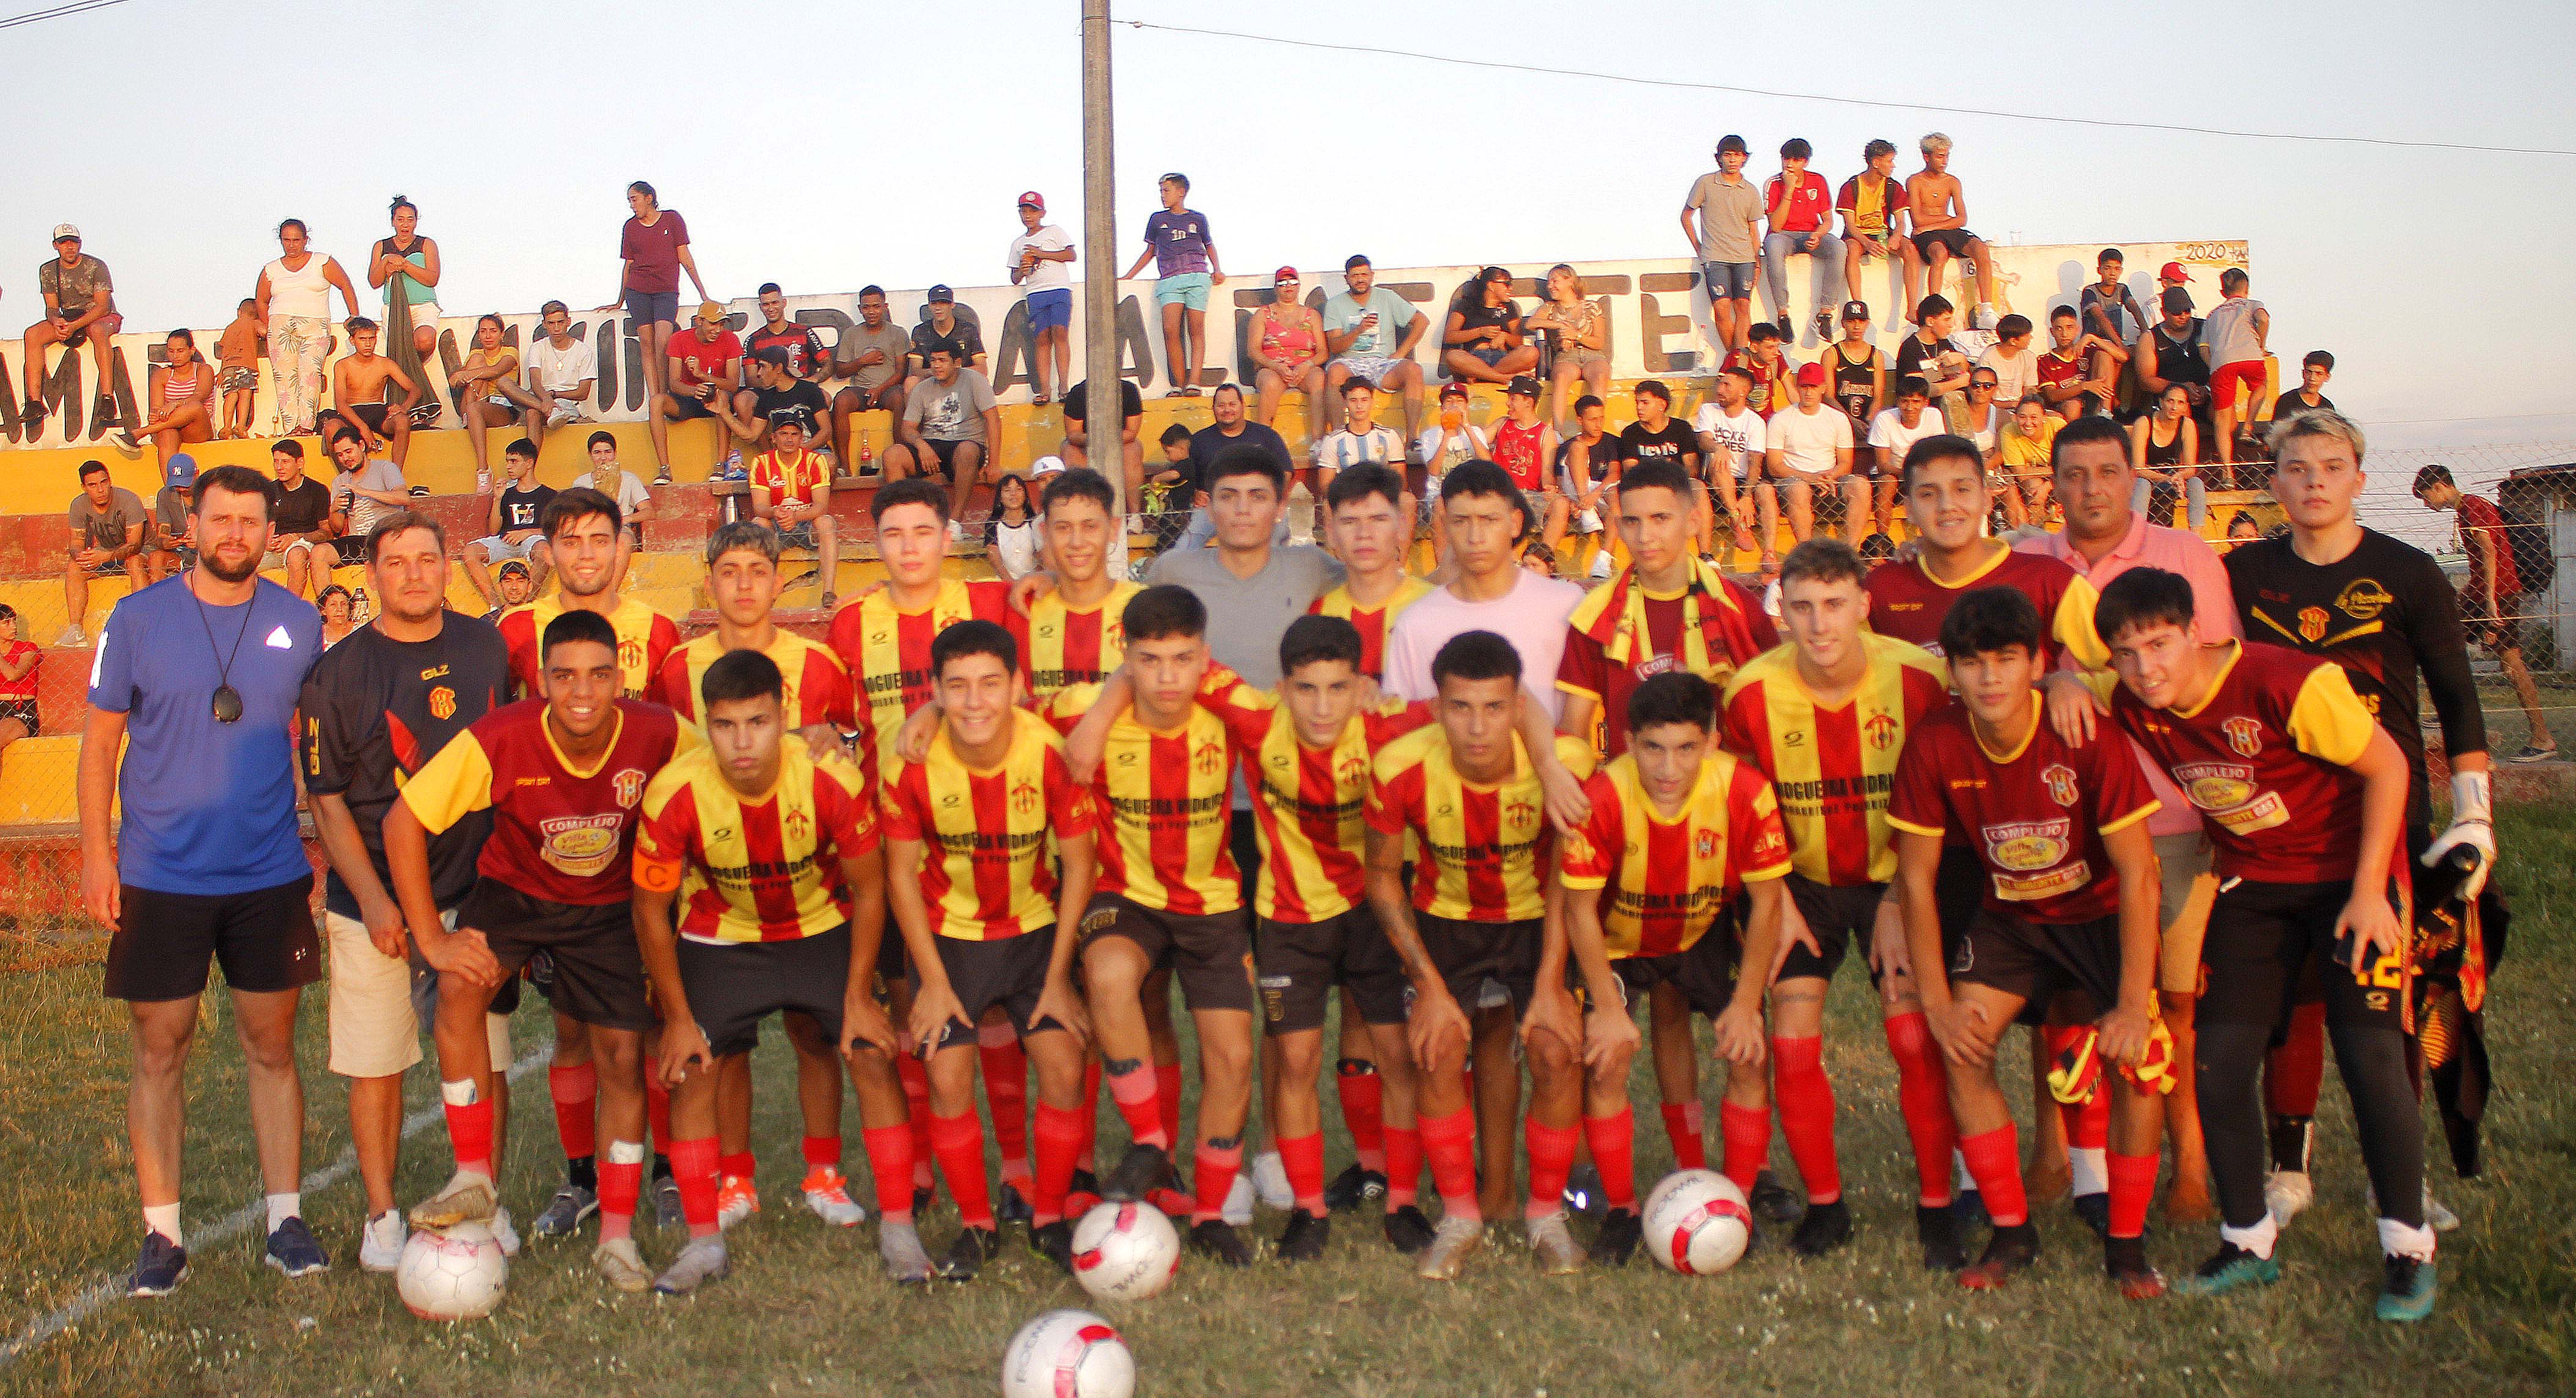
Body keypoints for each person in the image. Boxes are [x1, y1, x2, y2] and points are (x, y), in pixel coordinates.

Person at [2089, 567, 2435, 1322]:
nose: (2146, 667)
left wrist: (2372, 888)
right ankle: (2247, 1241)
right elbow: (2070, 685)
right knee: (2215, 1066)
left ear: (2195, 632)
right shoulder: (2129, 701)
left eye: (2157, 643)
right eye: (2124, 653)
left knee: (2370, 1057)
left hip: (2349, 877)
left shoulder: (2285, 682)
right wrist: (2060, 680)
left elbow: (2389, 766)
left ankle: (2407, 1249)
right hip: (2254, 884)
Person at [2222, 420, 2498, 1250]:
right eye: (2296, 468)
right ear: (2273, 481)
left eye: (2332, 467)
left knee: (2392, 1006)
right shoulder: (2241, 574)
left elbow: (2455, 695)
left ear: (2358, 477)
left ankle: (2401, 1174)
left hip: (2387, 820)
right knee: (2295, 1004)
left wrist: (2475, 809)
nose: (2314, 482)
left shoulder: (2408, 572)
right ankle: (2289, 1169)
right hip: (2281, 821)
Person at [390, 609, 692, 1294]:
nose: (581, 690)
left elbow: (723, 777)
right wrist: (430, 937)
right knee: (460, 987)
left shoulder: (660, 731)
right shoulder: (501, 734)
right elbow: (402, 818)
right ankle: (472, 1173)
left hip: (610, 906)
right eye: (563, 676)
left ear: (621, 678)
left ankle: (616, 1233)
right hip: (517, 889)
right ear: (540, 680)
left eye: (597, 674)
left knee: (620, 1052)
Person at [79, 463, 327, 1297]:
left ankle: (286, 1220)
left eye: (250, 522)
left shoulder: (300, 622)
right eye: (220, 520)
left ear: (270, 530)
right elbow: (98, 748)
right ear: (191, 524)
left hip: (268, 873)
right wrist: (95, 855)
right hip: (160, 872)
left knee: (272, 1047)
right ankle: (163, 1235)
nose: (235, 536)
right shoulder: (137, 617)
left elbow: (324, 751)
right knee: (160, 1050)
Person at [1889, 586, 2170, 1297]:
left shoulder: (2083, 733)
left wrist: (2134, 1004)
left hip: (2099, 916)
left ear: (2036, 662)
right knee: (1961, 1046)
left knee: (2140, 1064)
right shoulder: (1935, 741)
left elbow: (2139, 872)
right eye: (1972, 663)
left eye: (2006, 660)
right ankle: (2012, 1231)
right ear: (1951, 670)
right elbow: (1916, 882)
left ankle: (2127, 1245)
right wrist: (1937, 1001)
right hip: (2009, 919)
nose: (1989, 678)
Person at [2019, 414, 2244, 1223]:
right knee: (2062, 999)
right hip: (2065, 820)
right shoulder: (2027, 561)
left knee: (2174, 1000)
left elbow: (2214, 683)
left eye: (2107, 472)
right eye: (2073, 475)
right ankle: (2053, 1148)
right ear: (2053, 481)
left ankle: (2188, 1164)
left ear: (2133, 475)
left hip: (2173, 813)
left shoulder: (2184, 556)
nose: (2090, 490)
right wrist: (2057, 681)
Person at [1719, 538, 1961, 1264]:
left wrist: (1899, 894)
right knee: (1792, 1048)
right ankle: (1825, 1206)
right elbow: (1740, 803)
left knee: (1913, 1038)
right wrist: (1773, 896)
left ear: (1863, 604)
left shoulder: (1921, 678)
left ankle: (1937, 1205)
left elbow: (1951, 791)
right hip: (1800, 887)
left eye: (1833, 605)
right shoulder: (1750, 692)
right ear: (1781, 611)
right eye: (1801, 608)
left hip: (1901, 879)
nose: (1819, 624)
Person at [631, 648, 901, 1292]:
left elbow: (871, 888)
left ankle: (899, 1229)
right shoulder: (674, 790)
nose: (742, 742)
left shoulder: (828, 776)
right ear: (707, 723)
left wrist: (861, 995)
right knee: (693, 1068)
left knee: (869, 1049)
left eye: (757, 721)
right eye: (725, 725)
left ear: (784, 715)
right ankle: (703, 1242)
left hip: (818, 925)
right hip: (723, 933)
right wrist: (676, 1019)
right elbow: (650, 910)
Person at [299, 512, 521, 1273]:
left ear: (447, 566)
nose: (416, 574)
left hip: (476, 894)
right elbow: (327, 798)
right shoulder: (338, 672)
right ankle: (382, 1214)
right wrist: (379, 897)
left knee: (487, 1057)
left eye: (429, 559)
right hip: (374, 903)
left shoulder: (486, 645)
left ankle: (487, 1196)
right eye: (398, 562)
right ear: (372, 577)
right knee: (378, 1061)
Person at [1363, 629, 1606, 1278]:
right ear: (1437, 706)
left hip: (1535, 920)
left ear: (1517, 705)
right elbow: (1382, 876)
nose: (1477, 726)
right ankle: (1461, 1214)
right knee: (1437, 1048)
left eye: (1494, 707)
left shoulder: (1566, 765)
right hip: (1446, 921)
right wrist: (1429, 986)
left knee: (1557, 1048)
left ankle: (1546, 1213)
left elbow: (1569, 876)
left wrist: (1553, 978)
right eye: (1461, 707)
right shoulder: (1399, 767)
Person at [1042, 587, 1262, 1265]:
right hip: (1126, 893)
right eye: (1149, 660)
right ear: (1124, 656)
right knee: (1108, 978)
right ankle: (1150, 1142)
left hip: (1212, 902)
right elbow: (997, 719)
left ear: (1205, 657)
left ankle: (1211, 1213)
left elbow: (1303, 717)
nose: (1168, 677)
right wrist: (932, 713)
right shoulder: (1080, 712)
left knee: (1231, 1057)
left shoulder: (1227, 702)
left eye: (1182, 659)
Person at [880, 621, 1101, 1276]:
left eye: (989, 684)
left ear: (1016, 686)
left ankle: (1050, 1214)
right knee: (947, 1076)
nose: (974, 702)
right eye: (957, 687)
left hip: (1034, 934)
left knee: (1063, 1065)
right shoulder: (912, 765)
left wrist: (1060, 974)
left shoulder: (1050, 754)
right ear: (936, 692)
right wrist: (933, 980)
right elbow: (899, 875)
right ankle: (977, 1223)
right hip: (951, 941)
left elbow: (1079, 867)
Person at [1561, 670, 1794, 1262]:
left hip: (1699, 932)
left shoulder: (1745, 790)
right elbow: (1579, 909)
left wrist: (1745, 1005)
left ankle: (1735, 1201)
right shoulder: (1602, 796)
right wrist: (1608, 1009)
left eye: (1686, 747)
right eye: (1653, 748)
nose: (1668, 767)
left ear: (1712, 740)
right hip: (1614, 939)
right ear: (1627, 741)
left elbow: (1767, 901)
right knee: (1607, 1060)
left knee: (1749, 1050)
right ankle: (1620, 1210)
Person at [2412, 461, 2550, 760]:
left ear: (2439, 487)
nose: (2427, 504)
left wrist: (2490, 603)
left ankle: (2542, 738)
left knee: (2511, 663)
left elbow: (2489, 551)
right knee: (2442, 640)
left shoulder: (2473, 508)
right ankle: (2445, 710)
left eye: (2425, 497)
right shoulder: (2468, 509)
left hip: (2499, 593)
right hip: (2485, 591)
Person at [598, 180, 711, 447]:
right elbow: (628, 266)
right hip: (638, 290)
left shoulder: (671, 220)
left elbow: (685, 257)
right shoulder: (630, 227)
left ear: (650, 198)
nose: (632, 204)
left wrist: (704, 295)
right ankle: (656, 396)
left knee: (664, 340)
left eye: (635, 198)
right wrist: (619, 300)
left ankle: (667, 391)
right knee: (646, 343)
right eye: (630, 200)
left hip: (666, 290)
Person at [1020, 469, 1141, 703]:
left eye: (1090, 527)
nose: (1077, 542)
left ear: (1114, 529)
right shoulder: (1020, 606)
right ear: (1045, 533)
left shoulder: (1146, 609)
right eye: (1063, 528)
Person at [255, 219, 365, 437]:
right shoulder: (272, 269)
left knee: (310, 374)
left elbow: (346, 286)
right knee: (285, 378)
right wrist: (267, 326)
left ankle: (306, 425)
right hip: (281, 326)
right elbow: (261, 300)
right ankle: (291, 428)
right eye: (287, 240)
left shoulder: (322, 262)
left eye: (297, 240)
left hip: (315, 323)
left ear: (306, 239)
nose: (292, 245)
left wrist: (354, 316)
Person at [1122, 173, 1224, 395]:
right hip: (1169, 278)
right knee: (1170, 330)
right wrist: (1128, 276)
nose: (1163, 196)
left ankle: (1194, 381)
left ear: (1181, 192)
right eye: (1161, 191)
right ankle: (1178, 383)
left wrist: (1217, 269)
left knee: (1195, 329)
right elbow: (1150, 252)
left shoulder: (1198, 218)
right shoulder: (1157, 220)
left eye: (1166, 191)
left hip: (1197, 275)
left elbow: (1209, 245)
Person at [886, 347, 1001, 540]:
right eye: (933, 361)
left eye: (942, 360)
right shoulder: (922, 388)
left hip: (965, 442)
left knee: (968, 451)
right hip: (931, 443)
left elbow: (993, 419)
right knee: (892, 455)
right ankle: (906, 522)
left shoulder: (974, 380)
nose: (937, 366)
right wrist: (922, 446)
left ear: (956, 363)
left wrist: (995, 464)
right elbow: (907, 428)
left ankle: (953, 524)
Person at [21, 224, 125, 431]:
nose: (69, 247)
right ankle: (34, 402)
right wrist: (57, 322)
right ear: (55, 246)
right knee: (32, 335)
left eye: (73, 242)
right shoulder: (48, 270)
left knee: (97, 331)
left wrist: (74, 326)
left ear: (80, 244)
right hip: (69, 318)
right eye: (64, 243)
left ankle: (107, 399)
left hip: (100, 316)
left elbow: (103, 306)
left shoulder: (96, 266)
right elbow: (51, 307)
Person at [1320, 254, 1428, 439]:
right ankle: (1338, 436)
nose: (1360, 279)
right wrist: (1359, 330)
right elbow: (1335, 347)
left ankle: (1413, 438)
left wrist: (1400, 353)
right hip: (1349, 364)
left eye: (1364, 274)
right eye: (1355, 276)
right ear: (1346, 279)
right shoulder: (1335, 304)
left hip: (1383, 363)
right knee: (1335, 372)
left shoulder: (1387, 297)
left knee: (1414, 370)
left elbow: (1422, 321)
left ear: (1372, 275)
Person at [1765, 363, 1865, 547]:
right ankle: (1807, 551)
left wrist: (1829, 476)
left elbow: (1846, 462)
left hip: (1830, 478)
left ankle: (1851, 550)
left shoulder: (1838, 418)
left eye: (1814, 387)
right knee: (1799, 489)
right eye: (1804, 387)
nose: (1809, 392)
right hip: (1794, 479)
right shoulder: (1781, 419)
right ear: (1797, 387)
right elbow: (1775, 466)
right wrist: (1810, 478)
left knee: (1861, 486)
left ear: (1823, 389)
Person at [1903, 134, 1997, 329]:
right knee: (1940, 253)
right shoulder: (1915, 181)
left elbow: (1962, 218)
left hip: (1946, 230)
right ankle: (1934, 306)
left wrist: (1936, 223)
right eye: (1939, 156)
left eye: (1946, 156)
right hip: (1927, 235)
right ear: (1926, 156)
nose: (1944, 161)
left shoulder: (1953, 182)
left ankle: (1987, 309)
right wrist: (1947, 221)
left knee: (1980, 248)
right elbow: (1917, 220)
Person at [1681, 134, 1764, 354]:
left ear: (1745, 158)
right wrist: (1699, 248)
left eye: (1737, 155)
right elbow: (1686, 216)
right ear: (1719, 158)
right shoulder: (1706, 183)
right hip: (1715, 256)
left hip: (1744, 257)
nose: (1732, 160)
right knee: (1721, 309)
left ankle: (1740, 358)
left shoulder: (1751, 190)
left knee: (1744, 307)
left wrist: (1757, 261)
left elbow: (1754, 230)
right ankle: (1734, 358)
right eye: (1728, 155)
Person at [1184, 382, 1296, 541]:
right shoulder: (1198, 441)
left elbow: (1285, 472)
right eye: (1221, 405)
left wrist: (1274, 498)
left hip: (1259, 506)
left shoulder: (1266, 436)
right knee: (1187, 545)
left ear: (1243, 405)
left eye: (1232, 404)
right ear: (1214, 409)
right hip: (1214, 508)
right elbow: (1187, 478)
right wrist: (1194, 494)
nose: (1227, 410)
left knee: (1281, 528)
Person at [1762, 139, 1848, 345]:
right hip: (1784, 234)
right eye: (1786, 158)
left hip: (1810, 232)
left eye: (1796, 159)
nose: (1790, 164)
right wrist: (1789, 190)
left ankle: (1825, 314)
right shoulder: (1773, 184)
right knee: (1772, 246)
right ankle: (1783, 314)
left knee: (1839, 247)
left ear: (1805, 162)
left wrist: (1817, 235)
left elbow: (1828, 220)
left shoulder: (1817, 181)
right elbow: (1776, 224)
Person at [748, 417, 840, 609]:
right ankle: (763, 593)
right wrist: (777, 512)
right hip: (777, 524)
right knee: (759, 524)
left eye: (794, 434)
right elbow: (760, 507)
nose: (789, 439)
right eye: (784, 434)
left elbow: (821, 506)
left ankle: (829, 591)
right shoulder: (762, 463)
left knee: (826, 523)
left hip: (807, 524)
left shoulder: (815, 461)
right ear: (773, 438)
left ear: (801, 438)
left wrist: (796, 516)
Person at [60, 459, 153, 646]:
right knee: (74, 566)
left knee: (134, 560)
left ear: (110, 481)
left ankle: (141, 624)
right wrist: (81, 556)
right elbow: (76, 543)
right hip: (107, 553)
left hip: (142, 552)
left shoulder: (128, 500)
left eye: (104, 482)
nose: (100, 489)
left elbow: (134, 545)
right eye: (93, 485)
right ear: (84, 487)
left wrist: (106, 556)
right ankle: (76, 630)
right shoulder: (78, 505)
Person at [654, 301, 744, 485]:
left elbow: (733, 385)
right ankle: (664, 469)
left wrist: (702, 376)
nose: (718, 329)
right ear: (699, 321)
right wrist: (694, 390)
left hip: (716, 398)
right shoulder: (679, 339)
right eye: (713, 323)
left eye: (721, 324)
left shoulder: (731, 339)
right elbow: (673, 383)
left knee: (722, 397)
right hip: (688, 398)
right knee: (656, 401)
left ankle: (721, 464)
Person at [467, 441, 554, 621]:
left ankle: (527, 602)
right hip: (505, 540)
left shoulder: (549, 495)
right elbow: (493, 530)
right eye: (507, 461)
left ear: (529, 463)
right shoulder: (506, 492)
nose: (508, 467)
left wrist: (526, 532)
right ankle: (497, 606)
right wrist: (497, 499)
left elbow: (554, 531)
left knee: (544, 551)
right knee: (470, 552)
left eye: (514, 461)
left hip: (533, 540)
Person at [829, 285, 913, 469]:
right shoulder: (851, 334)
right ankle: (844, 466)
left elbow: (901, 372)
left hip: (889, 389)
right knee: (841, 400)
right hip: (860, 389)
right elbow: (841, 371)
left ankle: (901, 456)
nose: (871, 312)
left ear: (885, 307)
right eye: (866, 307)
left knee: (901, 398)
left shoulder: (898, 333)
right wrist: (862, 361)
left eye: (876, 306)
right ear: (860, 309)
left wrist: (879, 390)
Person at [322, 318, 421, 470]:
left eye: (371, 338)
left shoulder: (385, 363)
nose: (368, 344)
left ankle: (395, 475)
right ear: (352, 340)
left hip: (377, 410)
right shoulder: (343, 365)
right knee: (330, 427)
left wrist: (404, 408)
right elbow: (341, 404)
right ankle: (347, 480)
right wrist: (363, 428)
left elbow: (415, 389)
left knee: (403, 421)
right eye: (362, 339)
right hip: (352, 412)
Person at [1007, 192, 1077, 404]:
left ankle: (1064, 385)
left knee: (1060, 332)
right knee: (1042, 338)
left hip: (1058, 289)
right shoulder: (1018, 243)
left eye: (1032, 211)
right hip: (1036, 292)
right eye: (1024, 211)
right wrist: (1023, 270)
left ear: (1042, 213)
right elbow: (1014, 278)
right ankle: (1044, 389)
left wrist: (1041, 253)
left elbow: (1071, 255)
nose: (1028, 216)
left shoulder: (1054, 232)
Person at [1836, 139, 1922, 311]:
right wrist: (1867, 243)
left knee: (1910, 249)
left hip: (1883, 232)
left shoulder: (1893, 187)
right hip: (1857, 235)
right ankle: (1858, 303)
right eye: (1889, 161)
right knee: (1851, 250)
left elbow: (1900, 222)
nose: (1893, 166)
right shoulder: (1851, 187)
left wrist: (1897, 237)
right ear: (1876, 163)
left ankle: (1912, 308)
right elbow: (1851, 226)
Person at [113, 328, 218, 469]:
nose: (175, 356)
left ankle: (140, 433)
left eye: (180, 351)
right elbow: (156, 407)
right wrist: (155, 414)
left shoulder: (204, 370)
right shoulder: (161, 375)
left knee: (195, 407)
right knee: (167, 433)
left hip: (197, 428)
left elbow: (199, 397)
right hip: (169, 427)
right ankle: (171, 489)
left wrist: (174, 404)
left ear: (192, 350)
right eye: (171, 351)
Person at [2202, 269, 2270, 472]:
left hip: (2221, 363)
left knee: (2222, 421)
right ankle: (2248, 427)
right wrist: (2261, 345)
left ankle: (2227, 473)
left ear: (2223, 291)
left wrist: (2214, 365)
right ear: (2246, 288)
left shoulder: (2212, 315)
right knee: (2260, 386)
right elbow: (2264, 320)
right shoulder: (2252, 304)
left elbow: (2203, 348)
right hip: (2250, 356)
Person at [569, 432, 654, 595]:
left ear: (615, 454)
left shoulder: (629, 479)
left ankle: (609, 594)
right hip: (590, 530)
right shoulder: (581, 483)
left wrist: (624, 519)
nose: (603, 458)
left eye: (608, 452)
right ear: (590, 456)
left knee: (623, 542)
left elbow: (649, 511)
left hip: (620, 528)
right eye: (597, 453)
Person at [1248, 268, 1328, 438]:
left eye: (1292, 283)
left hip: (1305, 369)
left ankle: (1319, 441)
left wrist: (1307, 365)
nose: (1288, 287)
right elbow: (1253, 350)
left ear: (1299, 286)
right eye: (1282, 283)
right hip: (1272, 368)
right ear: (1276, 288)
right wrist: (1275, 366)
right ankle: (1265, 440)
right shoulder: (1263, 314)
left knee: (1319, 379)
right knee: (1270, 383)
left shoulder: (1312, 315)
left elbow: (1322, 352)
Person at [1491, 376, 1567, 553]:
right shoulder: (1502, 424)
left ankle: (1544, 557)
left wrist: (1550, 487)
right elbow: (1477, 441)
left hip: (1533, 495)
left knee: (1561, 504)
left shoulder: (1546, 433)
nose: (1508, 404)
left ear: (1528, 401)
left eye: (1513, 399)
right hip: (1506, 494)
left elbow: (1547, 472)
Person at [1529, 264, 1610, 430]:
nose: (1550, 286)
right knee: (1561, 378)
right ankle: (1558, 430)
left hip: (1592, 354)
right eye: (1549, 282)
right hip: (1567, 355)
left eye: (1555, 281)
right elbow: (1531, 323)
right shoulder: (1550, 307)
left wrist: (1577, 335)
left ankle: (1595, 425)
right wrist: (1556, 324)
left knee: (1600, 376)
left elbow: (1599, 342)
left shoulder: (1592, 307)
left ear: (1570, 281)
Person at [365, 195, 443, 367]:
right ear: (393, 222)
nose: (405, 225)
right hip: (394, 306)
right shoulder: (381, 246)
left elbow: (432, 278)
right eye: (400, 220)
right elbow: (374, 281)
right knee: (396, 352)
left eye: (410, 219)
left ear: (416, 222)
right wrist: (386, 263)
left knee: (425, 340)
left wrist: (406, 266)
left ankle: (415, 370)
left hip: (422, 305)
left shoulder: (426, 244)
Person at [1059, 375, 1146, 528]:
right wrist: (1096, 440)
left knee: (1134, 449)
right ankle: (1082, 515)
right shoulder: (1078, 393)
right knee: (1069, 450)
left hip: (1119, 443)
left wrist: (1106, 441)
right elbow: (1073, 434)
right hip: (1086, 444)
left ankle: (1135, 516)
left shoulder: (1129, 391)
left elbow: (1132, 432)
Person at [448, 314, 521, 492]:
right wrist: (462, 376)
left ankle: (483, 469)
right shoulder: (476, 355)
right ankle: (483, 469)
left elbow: (497, 370)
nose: (488, 336)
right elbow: (454, 381)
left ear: (502, 335)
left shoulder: (510, 353)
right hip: (476, 401)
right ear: (479, 336)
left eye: (493, 331)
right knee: (476, 361)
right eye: (483, 331)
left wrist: (466, 374)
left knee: (476, 376)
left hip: (503, 407)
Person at [720, 347, 832, 464]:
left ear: (778, 368)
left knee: (830, 463)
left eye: (763, 367)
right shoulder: (766, 397)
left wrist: (800, 451)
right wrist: (723, 412)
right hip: (784, 455)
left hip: (814, 451)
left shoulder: (809, 390)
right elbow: (751, 436)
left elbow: (826, 431)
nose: (759, 373)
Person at [1314, 379, 1413, 506]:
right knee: (1328, 506)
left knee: (1407, 500)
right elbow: (1325, 486)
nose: (1359, 406)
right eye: (1353, 400)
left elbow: (1400, 481)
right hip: (1348, 500)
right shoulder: (1333, 441)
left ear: (1372, 401)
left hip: (1382, 498)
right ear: (1345, 402)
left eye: (1364, 400)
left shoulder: (1389, 436)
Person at [521, 301, 599, 451]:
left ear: (568, 322)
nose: (556, 328)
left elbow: (583, 393)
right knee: (505, 383)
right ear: (544, 324)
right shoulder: (538, 347)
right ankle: (551, 410)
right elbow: (535, 381)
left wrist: (554, 394)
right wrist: (547, 399)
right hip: (540, 397)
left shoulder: (583, 350)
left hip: (566, 402)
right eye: (551, 323)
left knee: (532, 412)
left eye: (560, 322)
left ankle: (529, 465)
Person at [265, 439, 338, 598]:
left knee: (297, 555)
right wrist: (265, 540)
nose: (279, 467)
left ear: (300, 463)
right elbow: (259, 525)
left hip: (302, 543)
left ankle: (291, 610)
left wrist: (296, 537)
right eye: (276, 462)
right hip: (273, 546)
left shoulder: (317, 490)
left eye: (285, 462)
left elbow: (326, 532)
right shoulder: (269, 491)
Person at [2134, 287, 2212, 434]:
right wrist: (2181, 389)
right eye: (2177, 313)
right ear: (2164, 312)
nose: (2183, 316)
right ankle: (2183, 454)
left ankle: (2227, 455)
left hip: (2205, 393)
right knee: (2179, 404)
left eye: (2187, 311)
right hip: (2171, 399)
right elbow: (2146, 381)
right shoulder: (2150, 338)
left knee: (2223, 408)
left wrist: (2207, 390)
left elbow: (2223, 363)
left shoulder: (2206, 328)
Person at [1440, 266, 1535, 386]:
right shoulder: (1466, 305)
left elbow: (1519, 342)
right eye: (1507, 284)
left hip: (1503, 360)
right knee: (1452, 356)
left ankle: (1482, 376)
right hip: (1474, 359)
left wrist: (1505, 336)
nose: (1511, 288)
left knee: (1532, 352)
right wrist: (1480, 332)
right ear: (1490, 285)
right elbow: (1449, 336)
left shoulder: (1509, 307)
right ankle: (1501, 378)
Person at [2130, 382, 2207, 529]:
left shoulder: (2188, 425)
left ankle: (2197, 537)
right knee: (2143, 484)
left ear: (2186, 407)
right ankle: (2136, 533)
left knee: (2196, 482)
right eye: (2170, 401)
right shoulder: (2144, 422)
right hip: (2147, 478)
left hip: (2173, 477)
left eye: (2180, 403)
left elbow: (2191, 468)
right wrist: (2167, 479)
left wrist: (2179, 477)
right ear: (2161, 402)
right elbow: (2138, 468)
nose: (2174, 407)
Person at [326, 424, 409, 549]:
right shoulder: (340, 481)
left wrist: (365, 492)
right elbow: (337, 528)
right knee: (320, 552)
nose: (345, 458)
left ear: (362, 446)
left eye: (349, 452)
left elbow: (404, 498)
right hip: (357, 542)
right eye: (340, 455)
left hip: (387, 537)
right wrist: (333, 510)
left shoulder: (385, 468)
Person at [2038, 305, 2123, 422]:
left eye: (2069, 328)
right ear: (2052, 332)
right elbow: (2052, 395)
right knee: (2073, 406)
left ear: (2077, 329)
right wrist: (2085, 386)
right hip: (2067, 407)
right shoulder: (2045, 361)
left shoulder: (2087, 351)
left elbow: (2123, 357)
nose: (2064, 334)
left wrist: (2092, 338)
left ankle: (2106, 413)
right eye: (2059, 328)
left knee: (2104, 354)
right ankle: (2075, 436)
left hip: (2093, 403)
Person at [904, 285, 989, 390]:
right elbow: (915, 370)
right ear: (929, 306)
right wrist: (936, 371)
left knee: (983, 381)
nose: (938, 308)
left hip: (962, 379)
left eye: (944, 303)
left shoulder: (968, 330)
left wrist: (953, 372)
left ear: (952, 305)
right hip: (932, 380)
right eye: (934, 303)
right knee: (911, 382)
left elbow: (982, 368)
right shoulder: (920, 331)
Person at [1824, 301, 1886, 437]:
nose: (1857, 326)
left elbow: (1878, 398)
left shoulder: (1876, 356)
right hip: (1838, 424)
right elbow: (1828, 397)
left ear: (1867, 323)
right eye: (1851, 321)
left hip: (1867, 426)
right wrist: (1851, 422)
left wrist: (1868, 422)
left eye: (1861, 321)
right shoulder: (1832, 354)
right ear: (1843, 323)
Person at [745, 283, 830, 383]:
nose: (771, 308)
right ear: (760, 307)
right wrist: (779, 386)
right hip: (769, 392)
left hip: (802, 389)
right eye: (766, 304)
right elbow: (750, 379)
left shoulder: (804, 332)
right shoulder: (753, 339)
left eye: (775, 302)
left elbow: (828, 364)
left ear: (784, 303)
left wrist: (812, 381)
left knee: (826, 398)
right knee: (744, 398)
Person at [1894, 295, 1971, 403]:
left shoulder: (1943, 342)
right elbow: (1919, 390)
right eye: (1946, 319)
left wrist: (1962, 359)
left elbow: (1962, 373)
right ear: (1930, 321)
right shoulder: (1910, 348)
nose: (1951, 325)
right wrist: (1959, 383)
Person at [2079, 249, 2150, 367]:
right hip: (2094, 343)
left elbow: (2135, 309)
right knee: (2115, 356)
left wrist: (2147, 335)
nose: (2113, 273)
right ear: (2099, 270)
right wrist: (2121, 346)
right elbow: (2101, 319)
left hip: (2115, 343)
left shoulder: (2122, 289)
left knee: (2143, 353)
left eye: (2117, 269)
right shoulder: (2090, 292)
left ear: (2121, 271)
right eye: (2108, 268)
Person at [2000, 396, 2062, 519]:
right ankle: (2038, 533)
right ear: (2016, 417)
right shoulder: (2009, 431)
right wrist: (2055, 469)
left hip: (2061, 478)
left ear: (2044, 417)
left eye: (2034, 417)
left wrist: (2048, 486)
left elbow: (2069, 467)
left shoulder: (2057, 427)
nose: (2028, 423)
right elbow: (2021, 474)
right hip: (2038, 478)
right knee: (2034, 490)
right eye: (2022, 417)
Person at [1721, 321, 1795, 420]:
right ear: (1754, 348)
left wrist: (1802, 414)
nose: (1776, 352)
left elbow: (1791, 391)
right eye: (1770, 347)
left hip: (1767, 420)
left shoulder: (1777, 359)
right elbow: (1721, 391)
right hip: (1741, 420)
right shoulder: (1737, 358)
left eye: (1777, 347)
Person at [216, 298, 262, 439]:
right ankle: (241, 425)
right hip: (246, 365)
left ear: (239, 312)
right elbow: (264, 332)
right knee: (245, 393)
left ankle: (226, 426)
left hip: (229, 366)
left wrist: (221, 372)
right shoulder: (254, 323)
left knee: (231, 395)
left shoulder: (230, 327)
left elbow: (225, 350)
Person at [144, 453, 197, 577]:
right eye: (177, 484)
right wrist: (165, 542)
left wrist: (201, 542)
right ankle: (158, 597)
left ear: (197, 474)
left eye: (185, 484)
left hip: (209, 553)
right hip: (181, 553)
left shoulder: (210, 492)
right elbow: (163, 531)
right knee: (156, 557)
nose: (181, 489)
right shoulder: (165, 494)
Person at [0, 604, 38, 770]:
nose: (14, 627)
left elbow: (14, 675)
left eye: (14, 621)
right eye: (7, 623)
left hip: (20, 711)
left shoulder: (28, 649)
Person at [984, 473, 1041, 582]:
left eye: (1019, 489)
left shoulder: (1034, 522)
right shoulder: (993, 524)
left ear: (1025, 495)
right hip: (1005, 582)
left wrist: (1030, 581)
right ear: (1000, 497)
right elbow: (993, 556)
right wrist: (1010, 581)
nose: (1013, 494)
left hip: (1034, 581)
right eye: (1007, 490)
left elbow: (1042, 555)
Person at [1978, 315, 2040, 404]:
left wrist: (2031, 397)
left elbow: (2029, 388)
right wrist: (2010, 405)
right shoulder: (1988, 358)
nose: (2031, 337)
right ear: (2013, 341)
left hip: (2020, 408)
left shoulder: (2029, 357)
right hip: (1994, 407)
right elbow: (1982, 396)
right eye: (2027, 335)